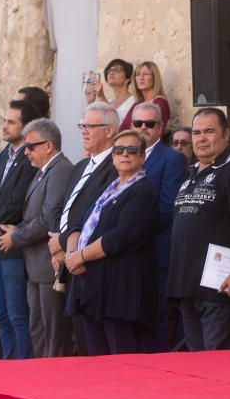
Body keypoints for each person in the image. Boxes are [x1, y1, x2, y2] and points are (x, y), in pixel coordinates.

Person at [64, 131, 160, 355]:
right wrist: (71, 253)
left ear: (142, 157)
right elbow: (78, 222)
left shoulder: (143, 192)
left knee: (121, 357)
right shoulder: (107, 188)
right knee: (95, 359)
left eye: (132, 150)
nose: (125, 154)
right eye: (119, 150)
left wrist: (82, 256)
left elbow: (121, 236)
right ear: (113, 157)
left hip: (120, 294)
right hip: (93, 289)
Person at [167, 108, 230, 351]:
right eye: (196, 132)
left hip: (221, 290)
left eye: (209, 131)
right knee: (198, 366)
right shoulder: (191, 171)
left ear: (226, 134)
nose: (201, 138)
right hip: (189, 287)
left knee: (218, 364)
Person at [0, 119, 74, 358]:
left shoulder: (60, 170)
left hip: (48, 262)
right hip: (35, 264)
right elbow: (32, 213)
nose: (27, 152)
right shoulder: (43, 171)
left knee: (53, 330)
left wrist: (16, 236)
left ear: (48, 145)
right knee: (38, 327)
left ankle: (53, 381)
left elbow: (47, 218)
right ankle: (39, 376)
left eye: (30, 147)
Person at [52, 103, 120, 354]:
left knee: (93, 343)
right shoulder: (81, 166)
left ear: (110, 131)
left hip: (89, 263)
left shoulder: (115, 167)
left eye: (91, 126)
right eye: (82, 126)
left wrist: (63, 244)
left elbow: (93, 215)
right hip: (66, 255)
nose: (84, 131)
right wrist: (56, 243)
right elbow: (65, 205)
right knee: (76, 334)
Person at [0, 100, 40, 359]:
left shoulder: (28, 158)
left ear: (26, 127)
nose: (4, 126)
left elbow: (17, 200)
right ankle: (6, 365)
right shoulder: (4, 154)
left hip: (11, 243)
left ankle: (20, 368)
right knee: (1, 313)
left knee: (17, 314)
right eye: (4, 120)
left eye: (11, 121)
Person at [130, 101, 187, 351]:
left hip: (155, 251)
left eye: (149, 124)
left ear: (160, 127)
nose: (143, 128)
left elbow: (167, 206)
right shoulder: (123, 154)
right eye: (137, 123)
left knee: (157, 319)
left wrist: (129, 232)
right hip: (128, 254)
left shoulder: (172, 159)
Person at [120, 61, 170, 132]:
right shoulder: (137, 104)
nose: (141, 78)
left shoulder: (160, 103)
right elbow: (122, 129)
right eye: (137, 74)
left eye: (146, 74)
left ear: (154, 77)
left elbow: (156, 133)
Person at [86, 59, 135, 125]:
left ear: (127, 79)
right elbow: (92, 124)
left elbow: (117, 125)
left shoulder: (134, 102)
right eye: (109, 71)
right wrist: (90, 102)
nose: (111, 73)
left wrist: (101, 96)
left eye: (117, 70)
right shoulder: (109, 102)